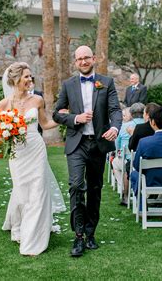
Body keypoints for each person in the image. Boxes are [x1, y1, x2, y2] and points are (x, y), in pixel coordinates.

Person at [53, 45, 122, 257]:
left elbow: (115, 110)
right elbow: (56, 113)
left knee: (94, 188)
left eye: (86, 58)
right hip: (77, 143)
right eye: (79, 59)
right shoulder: (68, 85)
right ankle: (78, 235)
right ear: (75, 62)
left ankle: (91, 233)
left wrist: (114, 127)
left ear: (93, 59)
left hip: (98, 143)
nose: (83, 62)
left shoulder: (106, 82)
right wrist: (75, 118)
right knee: (75, 185)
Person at [0, 62, 66, 257]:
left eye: (30, 76)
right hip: (17, 153)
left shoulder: (37, 100)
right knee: (21, 191)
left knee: (38, 191)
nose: (30, 80)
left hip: (36, 148)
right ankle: (19, 226)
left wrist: (65, 118)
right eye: (26, 76)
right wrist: (4, 133)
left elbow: (44, 124)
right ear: (15, 80)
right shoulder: (3, 105)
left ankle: (34, 238)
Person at [130, 107, 162, 211]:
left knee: (134, 174)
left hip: (148, 181)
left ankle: (142, 208)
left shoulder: (144, 142)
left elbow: (136, 165)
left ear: (152, 122)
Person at [113, 103, 145, 205]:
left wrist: (118, 151)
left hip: (128, 160)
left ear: (131, 114)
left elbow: (116, 144)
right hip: (146, 160)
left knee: (115, 163)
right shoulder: (149, 126)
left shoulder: (124, 126)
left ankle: (124, 192)